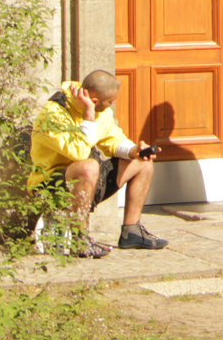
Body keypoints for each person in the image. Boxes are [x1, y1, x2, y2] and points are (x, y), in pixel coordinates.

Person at [26, 69, 167, 257]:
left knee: (142, 162)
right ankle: (79, 240)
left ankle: (131, 232)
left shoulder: (102, 112)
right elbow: (79, 152)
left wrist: (134, 150)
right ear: (94, 101)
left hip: (88, 181)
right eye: (110, 101)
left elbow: (113, 139)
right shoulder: (53, 113)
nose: (113, 103)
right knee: (89, 165)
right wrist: (89, 115)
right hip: (51, 186)